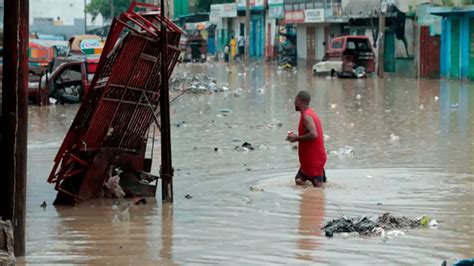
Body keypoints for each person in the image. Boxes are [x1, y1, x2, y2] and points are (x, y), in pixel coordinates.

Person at [286, 91, 327, 187]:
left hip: (314, 159)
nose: (294, 103)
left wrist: (296, 138)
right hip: (311, 159)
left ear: (300, 101)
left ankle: (314, 198)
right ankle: (308, 196)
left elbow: (314, 134)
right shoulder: (310, 113)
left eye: (295, 100)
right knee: (298, 180)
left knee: (318, 187)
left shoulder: (306, 116)